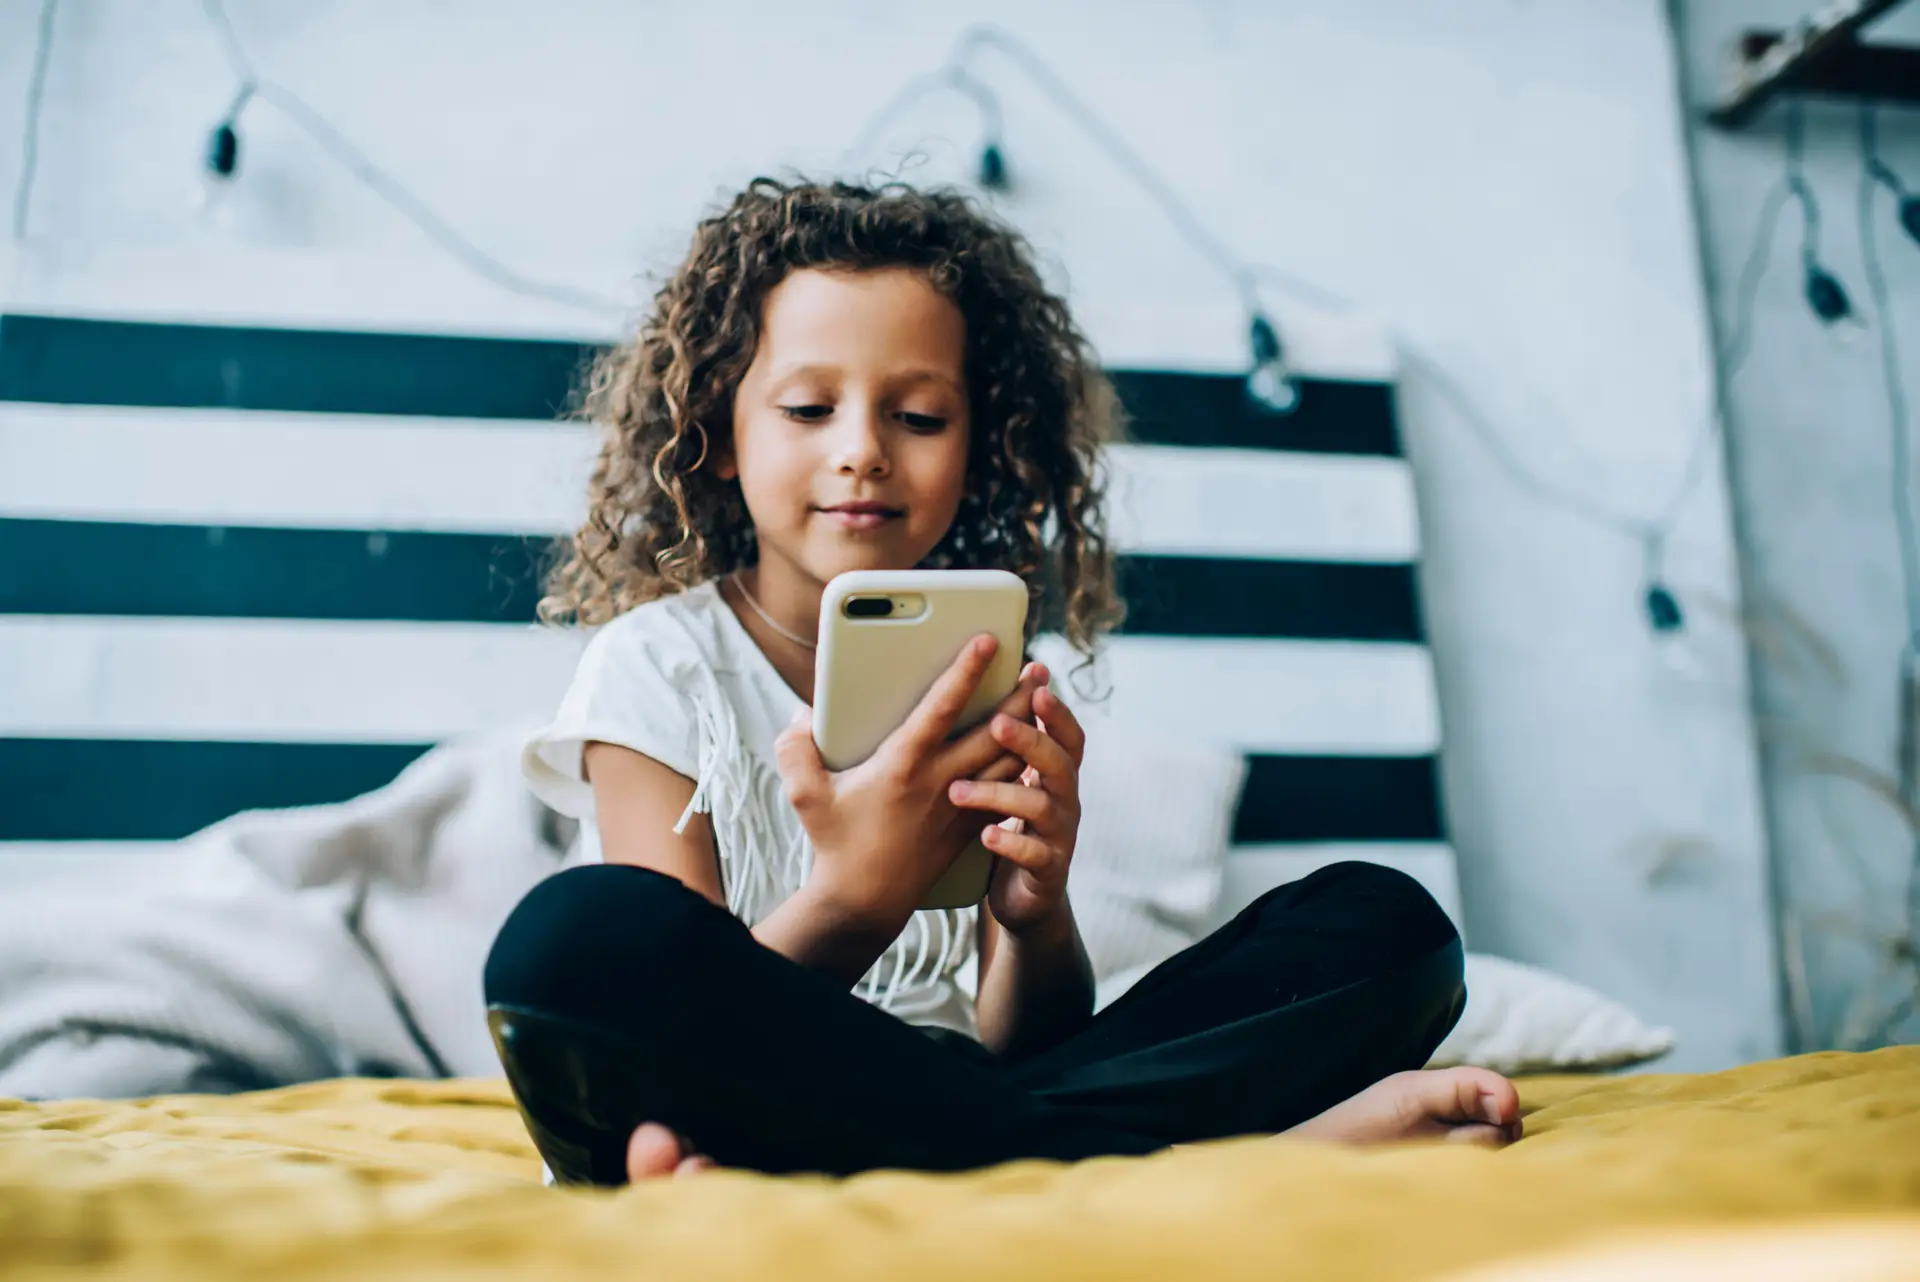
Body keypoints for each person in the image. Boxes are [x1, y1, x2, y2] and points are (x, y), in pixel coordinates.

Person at [484, 177, 1520, 1185]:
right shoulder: (658, 663)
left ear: (980, 447)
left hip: (932, 1096)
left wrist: (1036, 912)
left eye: (920, 418)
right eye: (807, 408)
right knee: (572, 946)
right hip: (739, 1090)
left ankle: (988, 1166)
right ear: (714, 434)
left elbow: (1023, 1037)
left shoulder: (982, 665)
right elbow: (675, 1009)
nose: (863, 453)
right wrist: (856, 897)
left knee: (1388, 927)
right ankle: (1193, 1166)